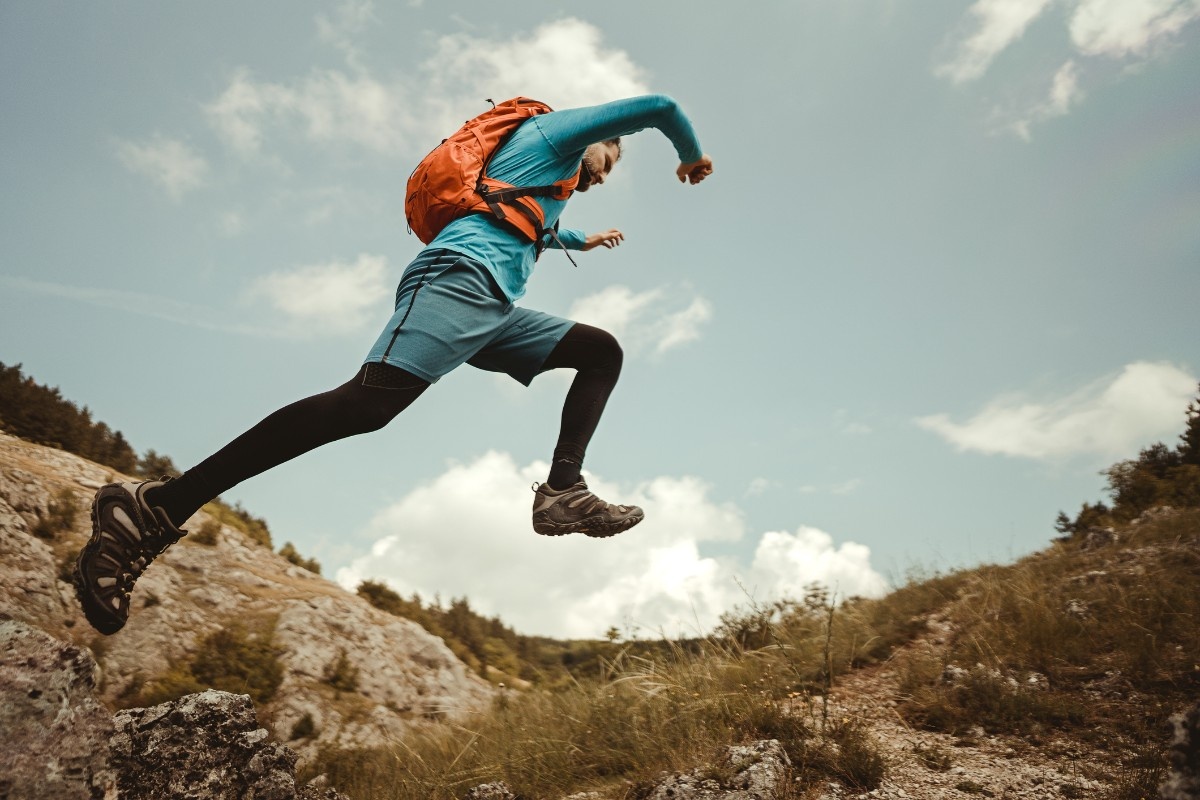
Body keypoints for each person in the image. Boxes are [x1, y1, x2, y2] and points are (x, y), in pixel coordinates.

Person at [73, 94, 713, 635]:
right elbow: (660, 106)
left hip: (492, 308)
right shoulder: (551, 133)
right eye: (611, 158)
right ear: (600, 138)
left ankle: (562, 493)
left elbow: (532, 227)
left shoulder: (550, 187)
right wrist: (689, 154)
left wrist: (584, 237)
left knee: (600, 351)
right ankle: (157, 506)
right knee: (367, 404)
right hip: (457, 280)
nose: (605, 172)